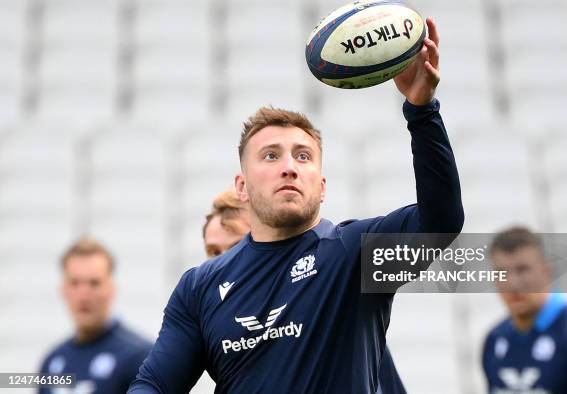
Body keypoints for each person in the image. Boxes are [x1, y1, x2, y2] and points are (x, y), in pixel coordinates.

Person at [130, 17, 463, 393]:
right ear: (242, 186)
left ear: (322, 187)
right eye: (271, 156)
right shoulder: (199, 287)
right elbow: (155, 384)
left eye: (303, 157)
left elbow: (441, 223)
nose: (289, 167)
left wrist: (422, 110)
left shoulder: (355, 251)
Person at [202, 189, 407, 394]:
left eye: (237, 247)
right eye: (214, 253)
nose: (224, 263)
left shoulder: (330, 300)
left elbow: (432, 243)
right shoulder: (218, 326)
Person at [482, 227, 567, 394]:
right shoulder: (494, 340)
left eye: (523, 270)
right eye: (501, 273)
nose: (512, 284)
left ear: (546, 271)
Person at [39, 238, 152, 394]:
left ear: (112, 289)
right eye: (75, 283)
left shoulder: (141, 358)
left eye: (94, 283)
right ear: (63, 289)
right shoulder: (52, 361)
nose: (84, 295)